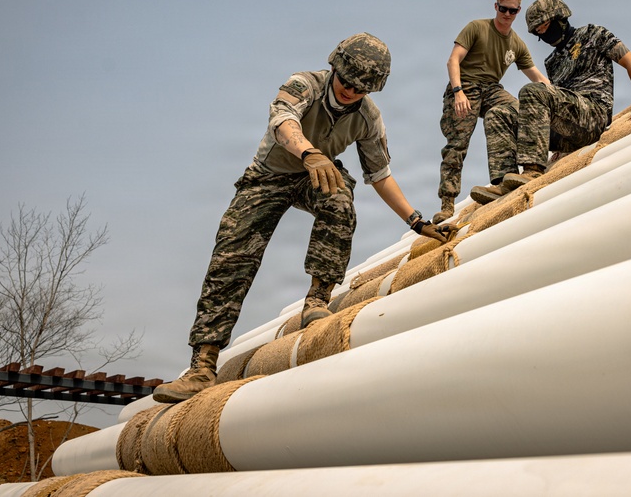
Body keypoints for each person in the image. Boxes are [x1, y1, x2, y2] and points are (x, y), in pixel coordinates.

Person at [154, 33, 454, 403]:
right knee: (232, 259)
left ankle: (317, 300)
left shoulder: (368, 117)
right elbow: (283, 120)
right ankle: (202, 366)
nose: (350, 91)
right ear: (335, 68)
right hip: (269, 176)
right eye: (346, 82)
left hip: (319, 175)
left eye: (361, 88)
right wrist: (309, 152)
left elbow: (380, 174)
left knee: (340, 198)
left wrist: (417, 222)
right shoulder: (304, 84)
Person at [471, 0, 631, 204]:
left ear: (560, 18)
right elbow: (556, 102)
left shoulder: (593, 34)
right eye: (538, 31)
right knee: (498, 113)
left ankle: (533, 170)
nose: (543, 33)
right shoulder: (553, 60)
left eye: (544, 26)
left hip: (593, 115)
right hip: (568, 128)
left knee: (533, 91)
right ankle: (504, 181)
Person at [434, 0, 549, 223]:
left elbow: (536, 76)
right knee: (457, 144)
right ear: (496, 7)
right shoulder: (477, 27)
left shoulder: (516, 43)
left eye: (513, 11)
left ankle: (513, 173)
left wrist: (556, 95)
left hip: (491, 89)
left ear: (518, 11)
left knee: (521, 110)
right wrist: (458, 92)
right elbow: (453, 60)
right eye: (504, 9)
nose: (507, 15)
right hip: (465, 87)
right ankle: (447, 204)